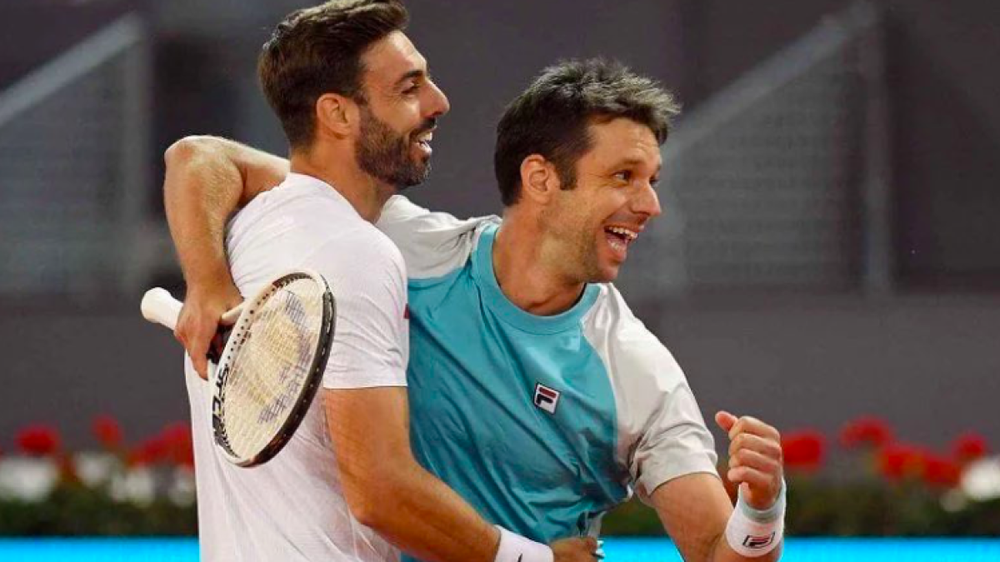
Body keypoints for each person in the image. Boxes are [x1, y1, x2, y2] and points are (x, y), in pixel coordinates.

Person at [169, 56, 786, 562]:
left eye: (651, 179)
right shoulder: (395, 244)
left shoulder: (637, 372)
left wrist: (761, 510)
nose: (650, 204)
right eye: (624, 176)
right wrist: (207, 283)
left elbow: (711, 550)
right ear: (541, 179)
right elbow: (200, 159)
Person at [164, 1, 599, 561]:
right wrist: (538, 559)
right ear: (338, 114)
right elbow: (381, 491)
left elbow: (194, 154)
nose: (438, 102)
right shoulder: (357, 255)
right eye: (409, 87)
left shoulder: (252, 220)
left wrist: (205, 281)